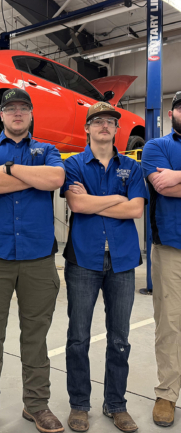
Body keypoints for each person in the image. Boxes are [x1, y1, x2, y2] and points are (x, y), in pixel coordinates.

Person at [0, 88, 65, 433]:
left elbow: (55, 179)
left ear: (31, 114)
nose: (18, 113)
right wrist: (28, 176)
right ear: (2, 116)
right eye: (11, 109)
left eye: (24, 108)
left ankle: (36, 406)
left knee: (35, 338)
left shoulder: (49, 150)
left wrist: (7, 171)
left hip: (38, 258)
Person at [61, 102, 147, 433]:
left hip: (123, 261)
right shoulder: (74, 166)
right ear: (86, 128)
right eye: (97, 121)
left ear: (116, 129)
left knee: (120, 338)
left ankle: (116, 404)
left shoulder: (132, 168)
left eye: (110, 121)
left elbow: (136, 210)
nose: (104, 126)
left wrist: (101, 202)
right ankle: (79, 405)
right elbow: (77, 204)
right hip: (83, 258)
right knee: (78, 337)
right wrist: (118, 199)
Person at [142, 91, 181, 428]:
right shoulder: (157, 147)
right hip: (170, 248)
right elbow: (164, 187)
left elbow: (175, 182)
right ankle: (167, 393)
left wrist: (178, 176)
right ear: (172, 113)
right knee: (170, 324)